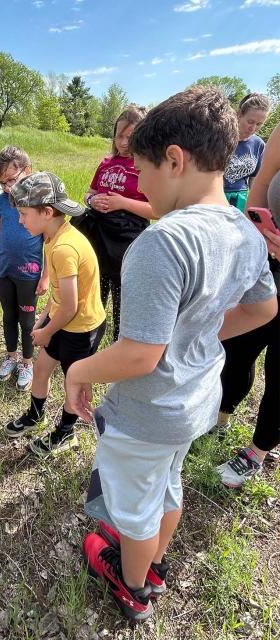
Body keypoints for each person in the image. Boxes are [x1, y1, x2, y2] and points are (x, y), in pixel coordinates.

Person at [64, 87, 278, 621]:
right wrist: (197, 336)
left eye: (141, 169)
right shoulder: (243, 231)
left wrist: (79, 369)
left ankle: (132, 583)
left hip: (149, 412)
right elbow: (263, 309)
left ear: (175, 160)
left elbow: (139, 355)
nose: (138, 182)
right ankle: (155, 561)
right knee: (169, 483)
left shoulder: (161, 243)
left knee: (134, 508)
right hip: (197, 400)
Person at [4, 172, 106, 457]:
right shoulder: (52, 237)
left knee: (71, 381)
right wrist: (43, 320)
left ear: (47, 212)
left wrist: (47, 331)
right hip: (62, 319)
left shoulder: (63, 248)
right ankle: (37, 415)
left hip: (81, 327)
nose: (20, 220)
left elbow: (72, 306)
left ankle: (65, 432)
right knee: (41, 368)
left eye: (24, 213)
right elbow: (59, 294)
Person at [216, 122, 280, 488]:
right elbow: (258, 188)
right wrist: (253, 236)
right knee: (237, 347)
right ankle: (221, 417)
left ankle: (257, 451)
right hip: (267, 262)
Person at [79, 105, 152, 341]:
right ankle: (89, 339)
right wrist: (92, 200)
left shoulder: (147, 166)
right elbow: (88, 192)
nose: (123, 142)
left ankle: (119, 344)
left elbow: (157, 210)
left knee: (123, 302)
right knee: (95, 295)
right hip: (100, 239)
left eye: (129, 137)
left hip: (127, 242)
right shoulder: (106, 163)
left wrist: (123, 203)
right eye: (119, 135)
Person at [0, 146, 49, 391]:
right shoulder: (0, 202)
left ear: (28, 171)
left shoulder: (39, 203)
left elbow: (49, 241)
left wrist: (46, 276)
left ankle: (27, 362)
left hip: (29, 275)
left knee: (27, 321)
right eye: (2, 183)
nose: (8, 187)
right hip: (4, 271)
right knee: (8, 316)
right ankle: (11, 357)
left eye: (12, 180)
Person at [223, 93, 270, 212]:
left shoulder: (258, 144)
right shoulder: (220, 138)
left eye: (259, 124)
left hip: (241, 200)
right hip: (216, 197)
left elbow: (255, 181)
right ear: (239, 115)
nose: (253, 128)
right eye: (250, 121)